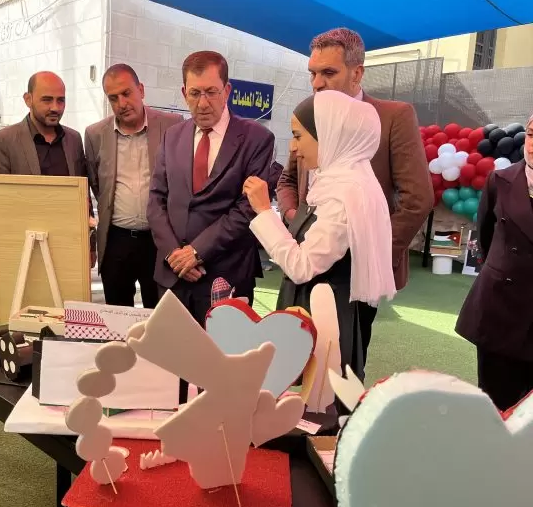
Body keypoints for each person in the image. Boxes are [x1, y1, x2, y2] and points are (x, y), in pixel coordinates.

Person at [276, 27, 431, 366]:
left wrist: (367, 255)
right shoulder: (312, 114)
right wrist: (297, 222)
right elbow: (287, 180)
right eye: (312, 73)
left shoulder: (393, 116)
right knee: (294, 364)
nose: (317, 83)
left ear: (357, 73)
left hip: (351, 279)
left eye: (328, 73)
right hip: (303, 261)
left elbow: (417, 199)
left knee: (342, 365)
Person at [245, 91, 395, 379]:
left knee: (318, 398)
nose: (293, 148)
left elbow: (302, 266)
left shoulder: (343, 195)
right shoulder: (337, 182)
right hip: (316, 311)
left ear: (327, 135)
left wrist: (264, 210)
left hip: (323, 320)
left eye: (298, 136)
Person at [147, 51, 274, 325]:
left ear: (227, 91)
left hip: (226, 277)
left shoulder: (257, 139)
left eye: (211, 92)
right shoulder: (172, 137)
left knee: (223, 353)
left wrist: (196, 252)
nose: (203, 103)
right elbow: (156, 199)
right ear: (184, 93)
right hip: (173, 277)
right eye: (195, 93)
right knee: (171, 351)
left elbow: (247, 208)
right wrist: (174, 254)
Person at [85, 64, 183, 308]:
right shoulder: (95, 134)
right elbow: (97, 185)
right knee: (117, 314)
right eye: (113, 98)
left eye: (126, 93)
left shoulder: (172, 125)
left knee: (160, 314)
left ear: (141, 90)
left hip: (159, 240)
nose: (121, 103)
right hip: (116, 240)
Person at [455, 114, 533, 411]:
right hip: (501, 308)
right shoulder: (499, 181)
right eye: (531, 134)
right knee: (495, 404)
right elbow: (486, 236)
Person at [0, 71, 95, 264]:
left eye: (61, 100)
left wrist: (90, 245)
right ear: (28, 99)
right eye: (47, 100)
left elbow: (83, 196)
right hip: (24, 251)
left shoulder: (74, 139)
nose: (55, 107)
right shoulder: (4, 141)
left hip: (70, 247)